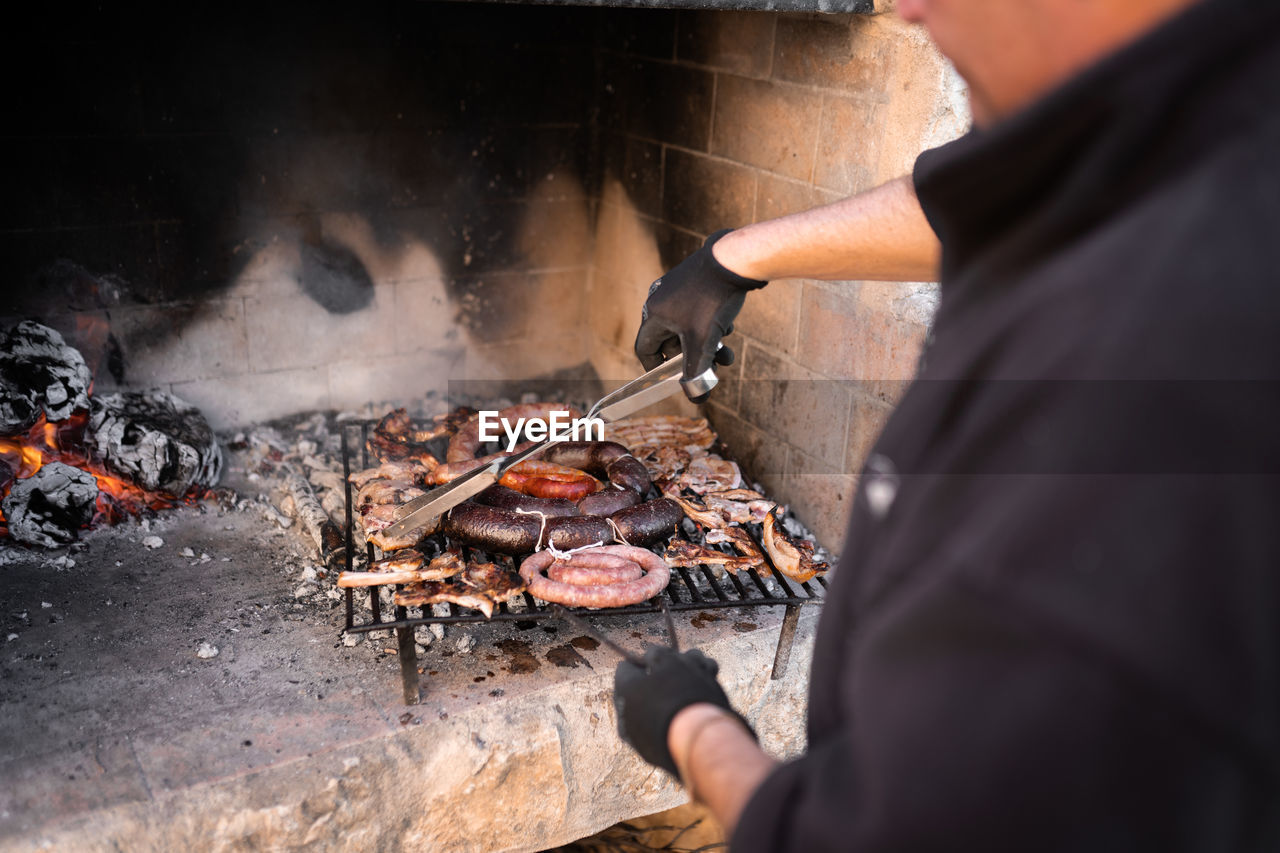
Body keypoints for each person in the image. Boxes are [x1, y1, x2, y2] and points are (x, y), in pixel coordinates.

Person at [613, 0, 1280, 849]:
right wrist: (735, 256)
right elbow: (985, 195)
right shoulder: (1212, 110)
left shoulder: (1132, 387)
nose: (903, 8)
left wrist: (694, 727)